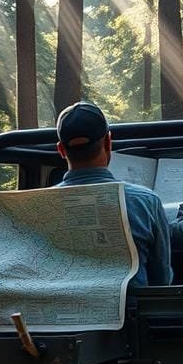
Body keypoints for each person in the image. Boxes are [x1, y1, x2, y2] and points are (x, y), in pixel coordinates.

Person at [54, 101, 173, 286]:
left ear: (61, 150)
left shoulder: (38, 206)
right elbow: (161, 280)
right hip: (131, 315)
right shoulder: (146, 202)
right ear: (108, 142)